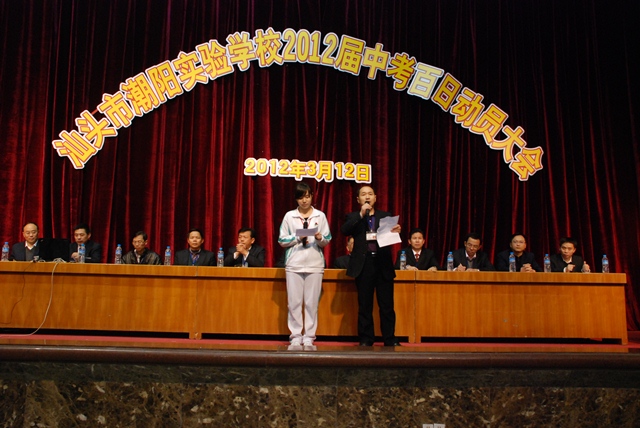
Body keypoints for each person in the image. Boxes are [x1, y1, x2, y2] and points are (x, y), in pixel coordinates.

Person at [341, 185, 402, 347]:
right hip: (364, 264)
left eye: (370, 194)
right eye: (363, 194)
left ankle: (389, 338)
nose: (367, 197)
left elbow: (390, 237)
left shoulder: (385, 216)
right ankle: (366, 339)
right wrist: (361, 214)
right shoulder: (354, 216)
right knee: (365, 305)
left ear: (375, 197)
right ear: (358, 199)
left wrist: (396, 231)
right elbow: (345, 230)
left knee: (387, 305)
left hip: (383, 263)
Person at [278, 182, 332, 347]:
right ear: (296, 199)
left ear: (312, 197)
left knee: (311, 302)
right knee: (294, 302)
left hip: (315, 264)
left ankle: (309, 336)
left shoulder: (320, 216)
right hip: (294, 264)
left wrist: (320, 238)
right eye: (301, 197)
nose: (304, 200)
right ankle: (295, 335)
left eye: (307, 197)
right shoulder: (289, 216)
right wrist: (297, 238)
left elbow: (327, 239)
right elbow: (281, 240)